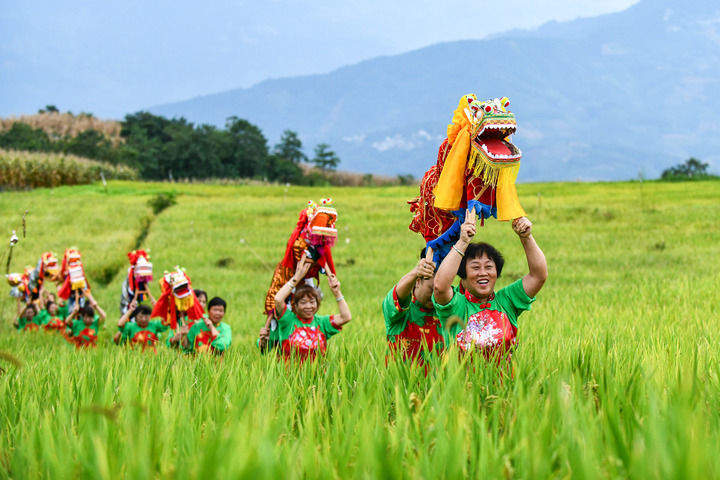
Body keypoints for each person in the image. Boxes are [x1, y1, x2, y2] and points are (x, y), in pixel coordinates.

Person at [432, 210, 547, 363]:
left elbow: (538, 276)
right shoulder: (457, 306)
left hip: (505, 385)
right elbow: (440, 287)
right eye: (475, 267)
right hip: (463, 386)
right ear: (463, 274)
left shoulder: (506, 302)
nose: (483, 273)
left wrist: (526, 237)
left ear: (496, 272)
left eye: (488, 267)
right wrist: (463, 241)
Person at [272, 255, 351, 361]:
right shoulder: (288, 320)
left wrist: (337, 292)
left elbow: (345, 317)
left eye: (312, 302)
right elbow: (278, 299)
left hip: (317, 376)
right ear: (295, 305)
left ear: (317, 304)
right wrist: (297, 277)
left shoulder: (322, 323)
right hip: (290, 376)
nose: (308, 306)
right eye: (303, 302)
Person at [382, 248, 443, 366]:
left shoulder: (448, 309)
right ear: (418, 281)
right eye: (432, 289)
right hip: (400, 383)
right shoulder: (404, 308)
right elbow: (398, 297)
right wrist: (416, 271)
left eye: (442, 290)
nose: (437, 296)